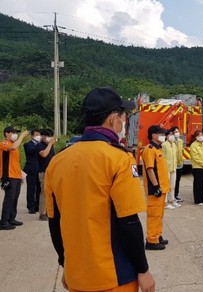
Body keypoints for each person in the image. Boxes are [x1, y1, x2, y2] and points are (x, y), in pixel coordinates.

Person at [45, 87, 155, 291]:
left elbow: (54, 221)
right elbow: (129, 221)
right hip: (114, 276)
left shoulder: (58, 161)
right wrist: (143, 269)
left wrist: (65, 264)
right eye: (124, 116)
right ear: (114, 119)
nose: (124, 122)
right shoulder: (119, 159)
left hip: (77, 276)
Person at [142, 125, 171, 251]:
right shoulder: (149, 149)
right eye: (161, 134)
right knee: (154, 214)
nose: (163, 136)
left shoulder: (158, 149)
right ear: (154, 135)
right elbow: (150, 169)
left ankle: (157, 236)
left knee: (159, 214)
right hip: (155, 188)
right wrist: (156, 186)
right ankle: (151, 241)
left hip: (162, 188)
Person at [0, 126, 29, 230]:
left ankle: (11, 218)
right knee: (9, 198)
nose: (14, 134)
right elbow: (13, 148)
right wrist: (22, 136)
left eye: (16, 133)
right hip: (8, 176)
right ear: (6, 133)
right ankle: (4, 221)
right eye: (12, 132)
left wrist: (21, 176)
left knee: (15, 198)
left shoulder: (14, 145)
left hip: (16, 176)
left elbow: (15, 162)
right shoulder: (4, 143)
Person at [37, 128, 56, 221]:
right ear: (43, 136)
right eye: (48, 136)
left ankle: (49, 210)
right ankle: (42, 212)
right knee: (44, 192)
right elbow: (44, 154)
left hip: (51, 171)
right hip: (43, 171)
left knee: (51, 192)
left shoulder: (50, 145)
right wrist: (50, 144)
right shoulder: (39, 145)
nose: (50, 138)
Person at [189, 130, 203, 205]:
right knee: (198, 184)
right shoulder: (193, 145)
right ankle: (198, 200)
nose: (201, 137)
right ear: (196, 137)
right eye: (199, 135)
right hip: (197, 167)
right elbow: (195, 157)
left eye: (201, 135)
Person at [23, 129, 41, 214]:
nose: (39, 136)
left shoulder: (41, 145)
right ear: (32, 136)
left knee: (39, 189)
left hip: (40, 169)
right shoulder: (27, 144)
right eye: (37, 135)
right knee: (31, 189)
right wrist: (39, 145)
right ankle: (31, 206)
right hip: (31, 169)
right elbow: (31, 151)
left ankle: (37, 205)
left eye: (40, 135)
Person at [161, 129, 180, 210]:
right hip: (166, 168)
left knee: (172, 185)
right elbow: (162, 157)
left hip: (173, 167)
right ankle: (165, 202)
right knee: (166, 186)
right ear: (166, 136)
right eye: (170, 134)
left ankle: (171, 200)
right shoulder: (164, 145)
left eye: (173, 134)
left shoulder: (174, 145)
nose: (172, 136)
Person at [171, 127, 185, 203]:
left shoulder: (180, 141)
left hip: (180, 163)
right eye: (175, 131)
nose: (177, 133)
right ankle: (171, 197)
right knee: (172, 181)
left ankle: (176, 195)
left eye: (178, 131)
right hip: (173, 164)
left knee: (177, 180)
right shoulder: (171, 142)